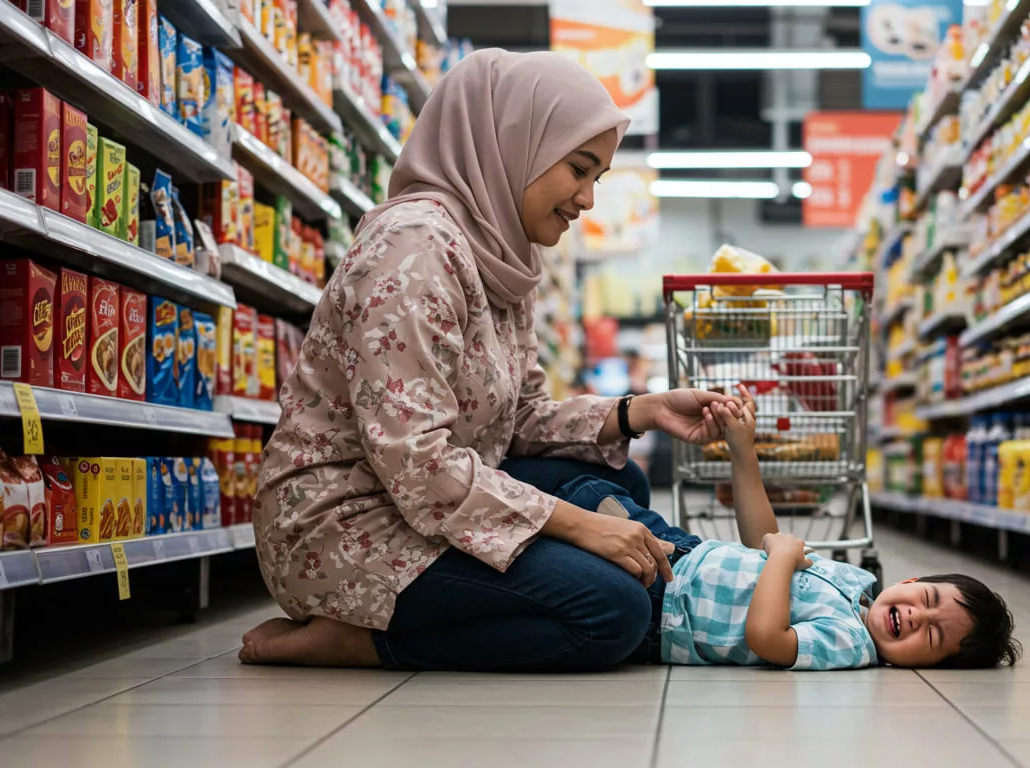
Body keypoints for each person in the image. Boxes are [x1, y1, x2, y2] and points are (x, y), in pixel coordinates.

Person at [239, 49, 742, 671]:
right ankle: (359, 641)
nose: (587, 198)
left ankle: (670, 584)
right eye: (578, 169)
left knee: (621, 485)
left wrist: (640, 411)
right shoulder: (413, 250)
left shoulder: (498, 253)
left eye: (598, 178)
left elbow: (519, 419)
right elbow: (415, 459)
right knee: (611, 611)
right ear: (514, 142)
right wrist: (581, 528)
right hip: (347, 523)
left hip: (423, 503)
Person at [551, 386, 1021, 670]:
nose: (920, 617)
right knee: (589, 488)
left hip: (664, 609)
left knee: (564, 530)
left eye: (933, 636)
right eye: (929, 599)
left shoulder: (850, 644)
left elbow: (768, 638)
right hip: (680, 551)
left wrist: (781, 556)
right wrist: (743, 449)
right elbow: (763, 543)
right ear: (912, 581)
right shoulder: (855, 585)